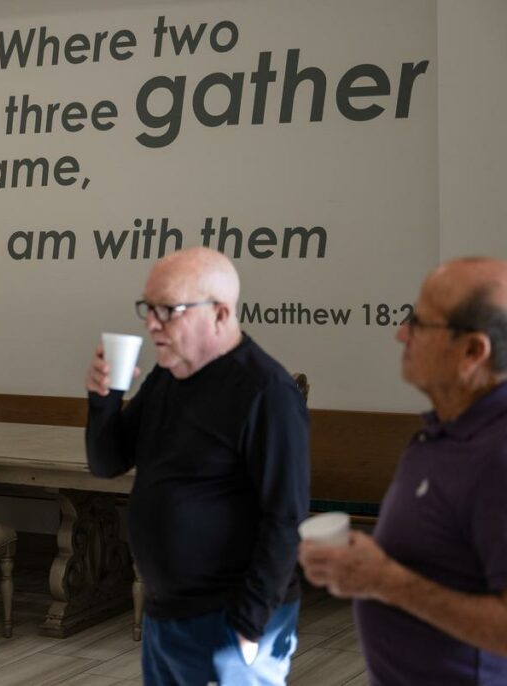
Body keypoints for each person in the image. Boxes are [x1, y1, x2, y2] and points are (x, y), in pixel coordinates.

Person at [86, 247, 310, 685]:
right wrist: (104, 400)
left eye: (168, 310)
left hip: (231, 620)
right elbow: (107, 462)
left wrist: (248, 626)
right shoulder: (170, 375)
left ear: (221, 314)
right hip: (166, 613)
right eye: (148, 308)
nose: (152, 323)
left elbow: (285, 518)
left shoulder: (267, 391)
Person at [299, 257, 507, 685]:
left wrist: (383, 581)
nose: (399, 333)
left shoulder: (498, 455)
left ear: (472, 351)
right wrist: (357, 561)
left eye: (418, 323)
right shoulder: (441, 430)